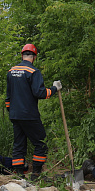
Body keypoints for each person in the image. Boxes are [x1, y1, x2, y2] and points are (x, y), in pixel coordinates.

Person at [5, 43, 61, 179]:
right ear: (34, 56)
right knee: (41, 143)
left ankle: (19, 174)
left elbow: (8, 96)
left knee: (19, 144)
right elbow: (40, 93)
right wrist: (54, 88)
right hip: (29, 115)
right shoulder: (33, 72)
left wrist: (11, 111)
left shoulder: (11, 71)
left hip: (15, 114)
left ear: (22, 55)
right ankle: (36, 173)